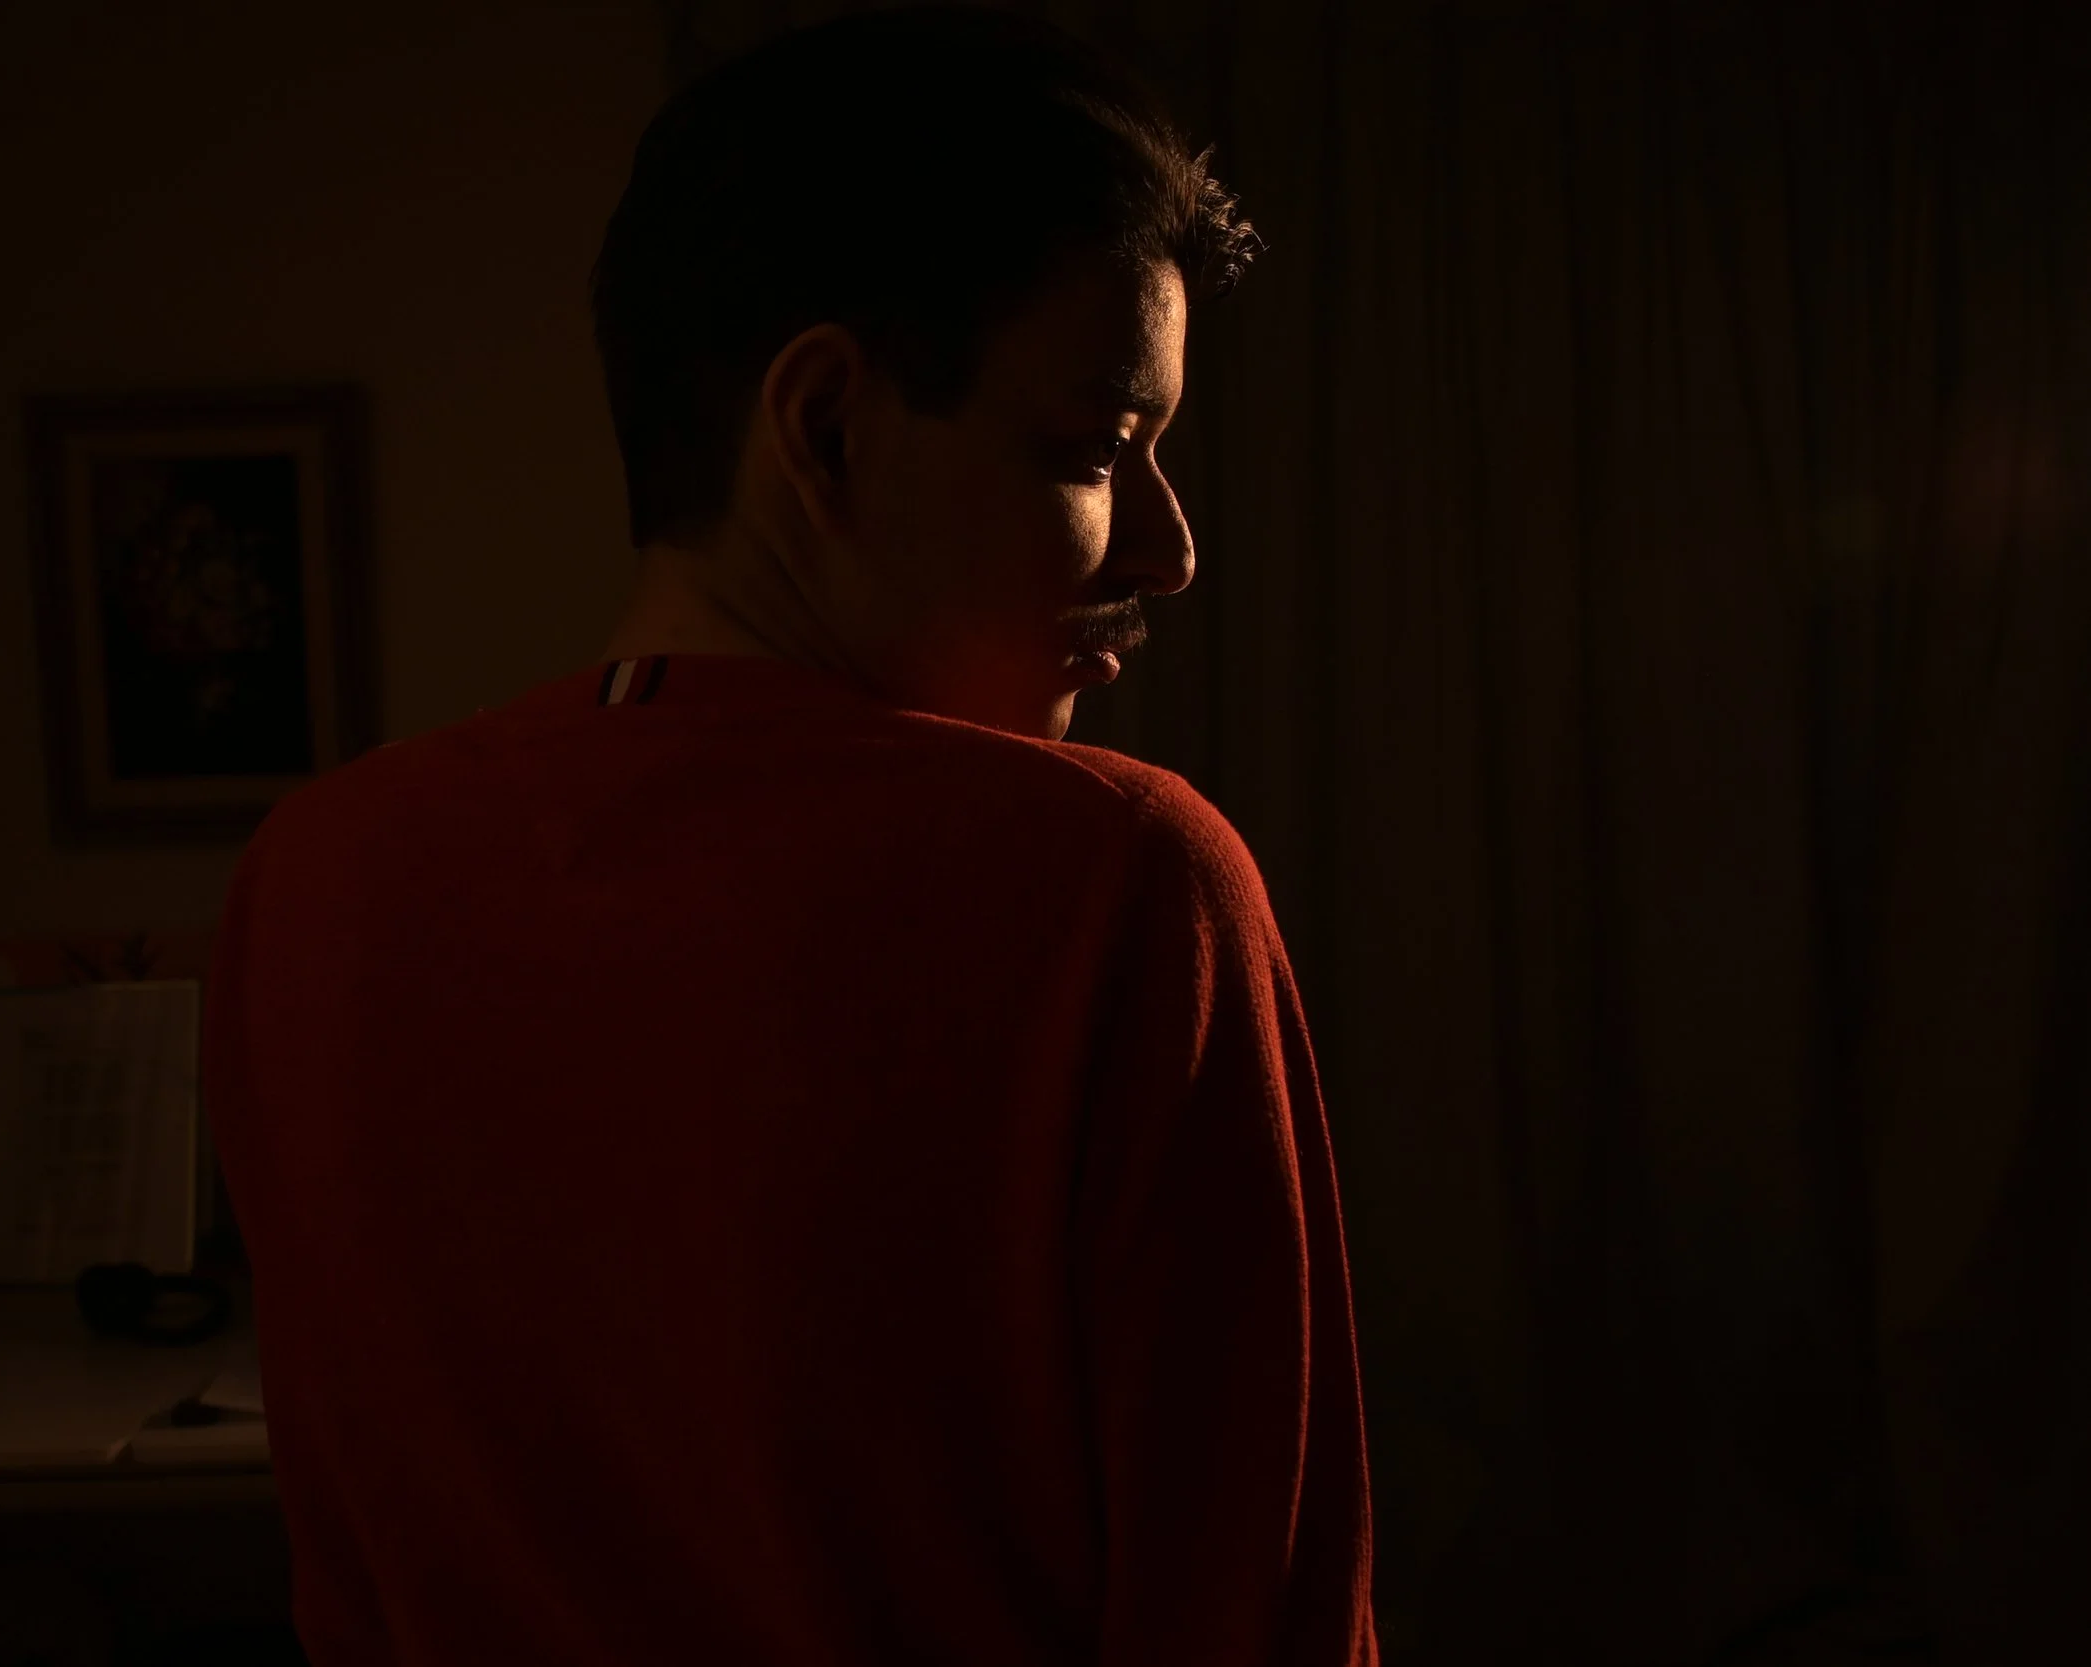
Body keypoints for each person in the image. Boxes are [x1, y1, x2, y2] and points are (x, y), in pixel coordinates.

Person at [205, 7, 1376, 1662]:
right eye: (1101, 449)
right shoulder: (1120, 887)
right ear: (823, 426)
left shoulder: (309, 885)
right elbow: (1252, 1620)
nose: (1172, 549)